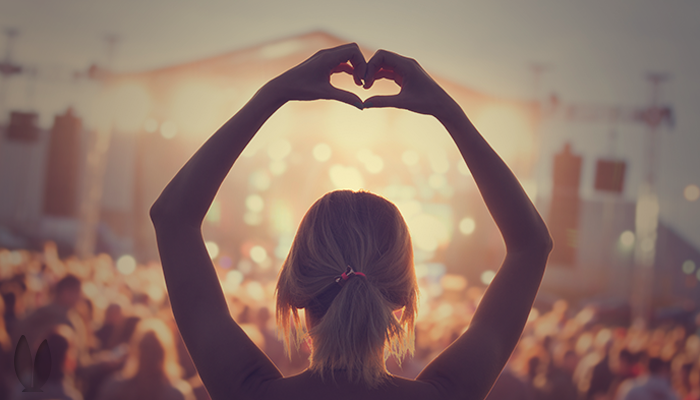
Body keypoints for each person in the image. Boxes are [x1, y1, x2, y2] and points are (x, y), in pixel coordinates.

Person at [150, 43, 553, 399]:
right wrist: (447, 112)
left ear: (294, 290)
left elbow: (172, 218)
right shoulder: (447, 394)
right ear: (404, 299)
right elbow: (531, 245)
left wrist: (275, 94)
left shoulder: (249, 391)